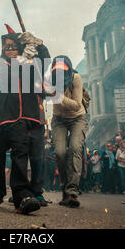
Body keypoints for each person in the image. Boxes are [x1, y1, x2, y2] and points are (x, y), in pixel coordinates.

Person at [0, 26, 50, 214]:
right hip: (0, 119)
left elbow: (45, 63)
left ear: (20, 48)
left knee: (20, 154)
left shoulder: (30, 63)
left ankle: (22, 195)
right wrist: (21, 61)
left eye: (14, 47)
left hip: (20, 119)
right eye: (7, 47)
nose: (11, 50)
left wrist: (40, 46)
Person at [50, 55, 87, 208]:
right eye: (56, 71)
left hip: (77, 118)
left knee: (75, 149)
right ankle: (65, 189)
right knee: (59, 153)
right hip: (59, 119)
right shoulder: (49, 81)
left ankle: (72, 192)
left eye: (62, 71)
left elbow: (77, 105)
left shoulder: (75, 78)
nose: (59, 74)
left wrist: (57, 96)